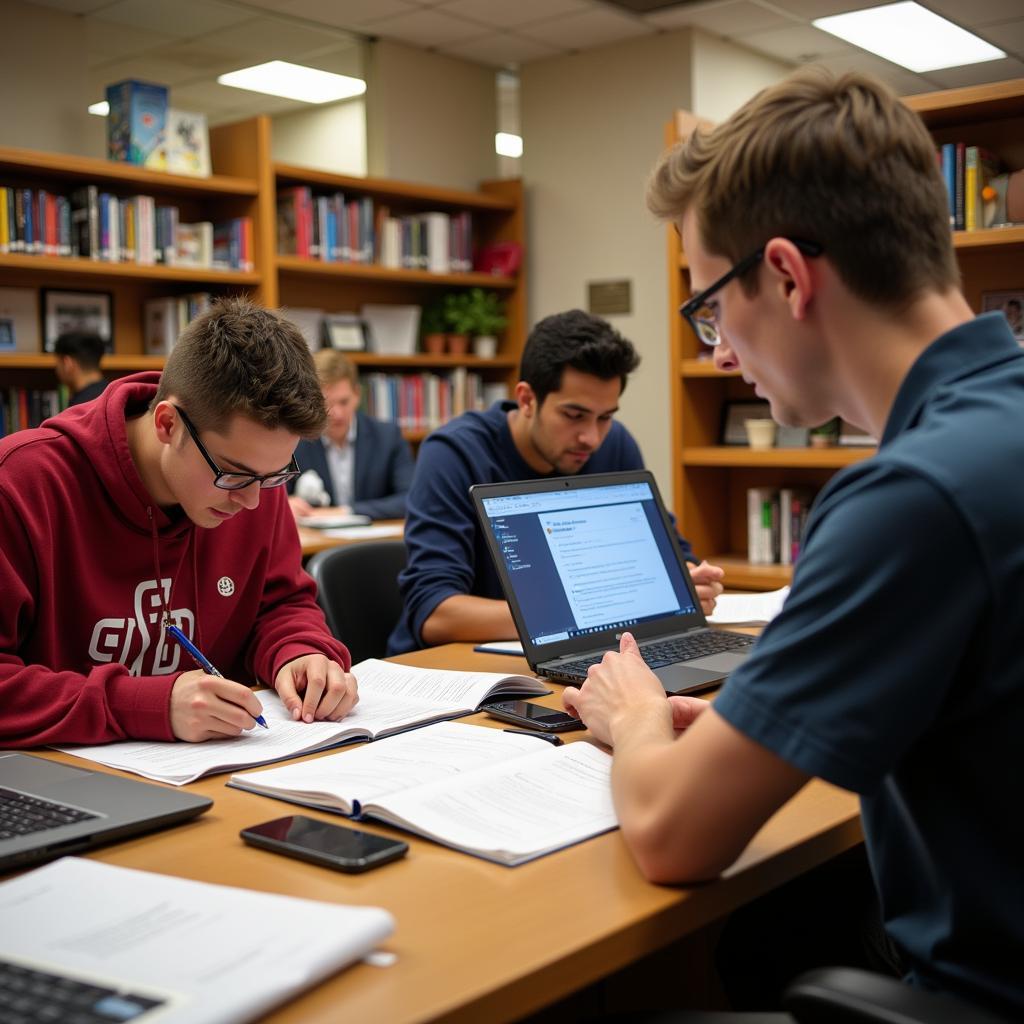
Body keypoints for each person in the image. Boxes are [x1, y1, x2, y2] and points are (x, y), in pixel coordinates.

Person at [563, 68, 1024, 1018]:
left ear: (786, 274)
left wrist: (637, 716)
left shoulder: (910, 498)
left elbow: (667, 832)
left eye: (708, 307)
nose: (719, 353)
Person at [0, 297, 358, 747]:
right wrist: (142, 704)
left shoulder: (253, 481)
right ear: (168, 424)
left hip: (216, 774)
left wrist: (300, 652)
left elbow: (280, 604)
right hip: (56, 780)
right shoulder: (21, 485)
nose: (251, 501)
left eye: (274, 476)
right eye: (233, 474)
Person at [388, 309, 725, 655]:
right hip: (464, 675)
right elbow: (434, 614)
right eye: (574, 415)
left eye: (605, 417)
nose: (591, 438)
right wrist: (581, 618)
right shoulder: (455, 453)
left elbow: (675, 556)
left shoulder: (615, 444)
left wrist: (688, 583)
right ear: (526, 399)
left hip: (589, 657)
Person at [286, 349, 413, 521]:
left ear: (357, 395)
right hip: (317, 544)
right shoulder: (294, 441)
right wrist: (287, 503)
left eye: (344, 402)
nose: (337, 413)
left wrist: (346, 511)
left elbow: (409, 499)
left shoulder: (388, 437)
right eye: (326, 403)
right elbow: (273, 498)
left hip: (372, 542)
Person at [53, 331, 108, 406]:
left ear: (67, 363)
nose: (57, 370)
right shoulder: (113, 396)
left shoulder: (78, 408)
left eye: (58, 363)